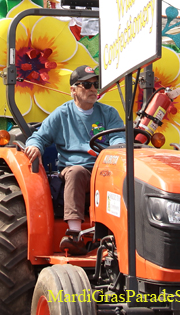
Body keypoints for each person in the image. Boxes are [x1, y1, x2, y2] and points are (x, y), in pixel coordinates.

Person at [24, 65, 125, 255]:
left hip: (104, 170)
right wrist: (35, 146)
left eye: (96, 84)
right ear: (73, 90)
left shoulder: (109, 113)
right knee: (76, 171)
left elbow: (119, 139)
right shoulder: (62, 114)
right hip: (75, 171)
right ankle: (74, 234)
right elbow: (40, 137)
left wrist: (117, 148)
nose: (93, 89)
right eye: (87, 85)